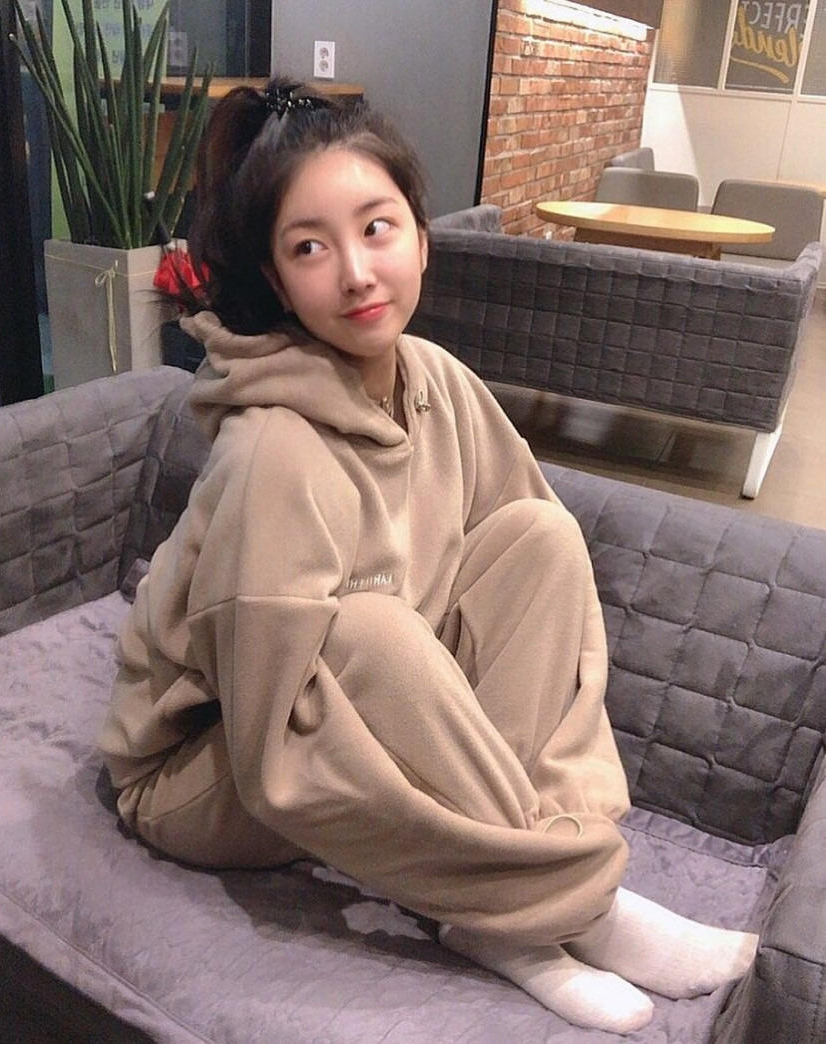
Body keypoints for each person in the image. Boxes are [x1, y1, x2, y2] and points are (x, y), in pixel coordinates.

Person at [99, 77, 757, 1035]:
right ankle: (551, 913)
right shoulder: (273, 452)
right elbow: (274, 749)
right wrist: (538, 888)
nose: (356, 274)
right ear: (276, 281)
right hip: (206, 770)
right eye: (309, 248)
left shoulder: (436, 379)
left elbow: (522, 588)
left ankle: (540, 855)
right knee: (367, 629)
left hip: (342, 709)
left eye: (377, 228)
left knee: (538, 538)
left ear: (421, 234)